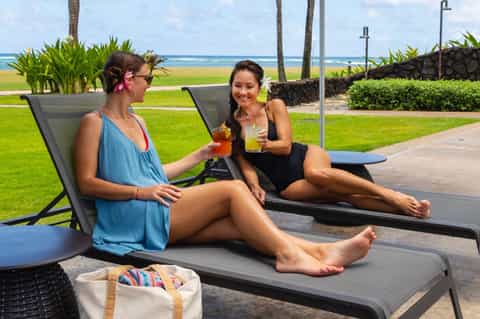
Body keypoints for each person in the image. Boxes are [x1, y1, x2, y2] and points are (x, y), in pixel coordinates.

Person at [74, 51, 376, 277]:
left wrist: (201, 154)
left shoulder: (138, 121)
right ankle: (288, 256)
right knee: (232, 189)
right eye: (146, 78)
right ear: (127, 81)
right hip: (129, 216)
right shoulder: (95, 123)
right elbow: (87, 183)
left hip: (154, 204)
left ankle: (321, 250)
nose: (149, 85)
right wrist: (141, 193)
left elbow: (153, 174)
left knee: (237, 224)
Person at [227, 60, 431, 219]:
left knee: (317, 174)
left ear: (259, 87)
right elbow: (244, 163)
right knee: (346, 196)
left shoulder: (273, 106)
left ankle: (389, 194)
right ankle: (410, 210)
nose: (243, 92)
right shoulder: (232, 125)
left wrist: (266, 145)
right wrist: (254, 186)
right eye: (238, 86)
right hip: (287, 183)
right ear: (231, 87)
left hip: (306, 157)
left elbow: (286, 147)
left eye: (249, 86)